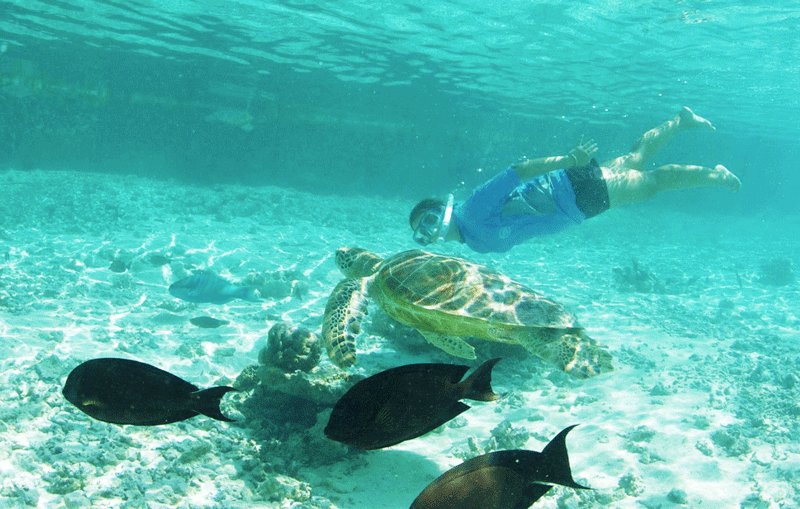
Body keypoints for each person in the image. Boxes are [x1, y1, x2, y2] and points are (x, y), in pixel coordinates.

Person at [409, 106, 741, 253]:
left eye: (428, 220)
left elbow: (518, 170)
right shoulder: (474, 240)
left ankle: (716, 176)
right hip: (573, 202)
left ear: (442, 210)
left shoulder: (473, 210)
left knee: (648, 184)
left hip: (573, 195)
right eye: (422, 233)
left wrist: (568, 160)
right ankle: (679, 121)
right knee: (635, 160)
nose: (430, 231)